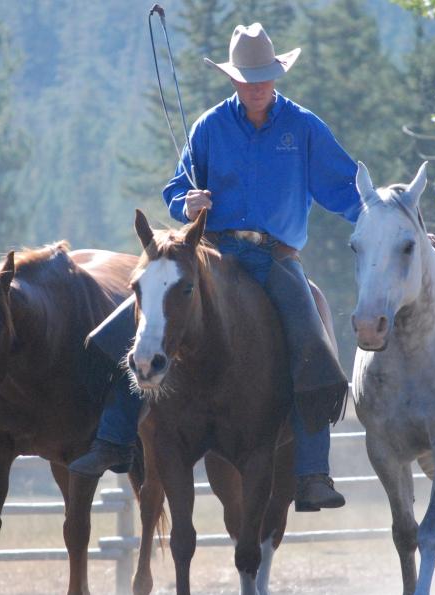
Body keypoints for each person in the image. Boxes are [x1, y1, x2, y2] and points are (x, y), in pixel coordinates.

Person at [70, 23, 361, 512]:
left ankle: (312, 473)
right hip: (214, 254)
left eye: (264, 77)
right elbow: (175, 188)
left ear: (276, 75)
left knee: (312, 344)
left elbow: (346, 188)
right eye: (247, 78)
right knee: (130, 331)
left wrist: (386, 217)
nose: (257, 86)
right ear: (233, 79)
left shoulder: (303, 127)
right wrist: (187, 202)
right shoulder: (209, 127)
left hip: (276, 257)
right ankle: (113, 439)